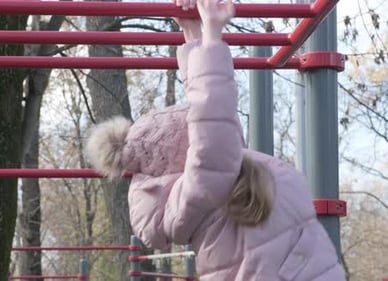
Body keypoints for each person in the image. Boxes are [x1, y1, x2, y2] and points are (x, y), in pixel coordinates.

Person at [85, 0, 346, 280]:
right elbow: (212, 117)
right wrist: (211, 35)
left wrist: (192, 33)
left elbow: (214, 122)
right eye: (196, 127)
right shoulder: (205, 182)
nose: (210, 125)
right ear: (188, 151)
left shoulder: (207, 184)